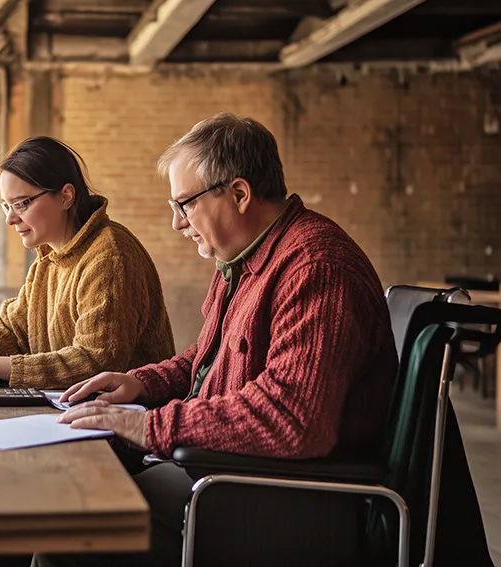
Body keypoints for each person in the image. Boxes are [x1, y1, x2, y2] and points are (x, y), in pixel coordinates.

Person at [36, 113, 399, 567]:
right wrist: (141, 384)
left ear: (240, 194)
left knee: (66, 526)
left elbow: (291, 420)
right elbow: (206, 358)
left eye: (184, 204)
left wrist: (146, 426)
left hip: (272, 501)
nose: (176, 223)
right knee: (55, 488)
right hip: (223, 473)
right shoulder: (243, 260)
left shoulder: (316, 268)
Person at [0, 136, 175, 390]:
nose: (10, 219)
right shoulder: (48, 259)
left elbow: (95, 362)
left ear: (66, 196)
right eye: (6, 206)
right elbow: (12, 331)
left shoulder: (110, 256)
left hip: (124, 419)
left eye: (22, 204)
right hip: (76, 410)